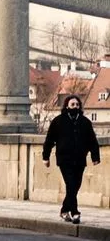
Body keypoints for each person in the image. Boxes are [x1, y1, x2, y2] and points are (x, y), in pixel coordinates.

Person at [42, 94, 100, 224]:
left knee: (75, 186)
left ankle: (64, 210)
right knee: (71, 184)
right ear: (67, 106)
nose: (75, 107)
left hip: (80, 158)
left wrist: (95, 157)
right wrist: (45, 156)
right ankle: (75, 212)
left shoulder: (85, 122)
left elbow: (92, 140)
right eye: (73, 104)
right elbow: (49, 140)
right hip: (64, 159)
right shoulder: (58, 121)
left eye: (77, 105)